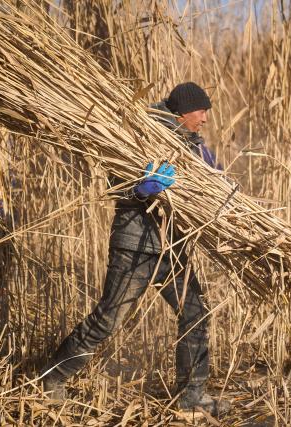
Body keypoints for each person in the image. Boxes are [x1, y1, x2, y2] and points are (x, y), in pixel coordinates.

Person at [40, 82, 230, 416]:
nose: (205, 118)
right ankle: (53, 378)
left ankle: (192, 395)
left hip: (172, 246)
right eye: (201, 111)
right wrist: (143, 190)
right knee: (109, 319)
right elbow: (120, 188)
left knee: (196, 313)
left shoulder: (193, 146)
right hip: (136, 246)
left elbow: (212, 182)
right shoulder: (141, 135)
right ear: (183, 111)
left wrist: (221, 186)